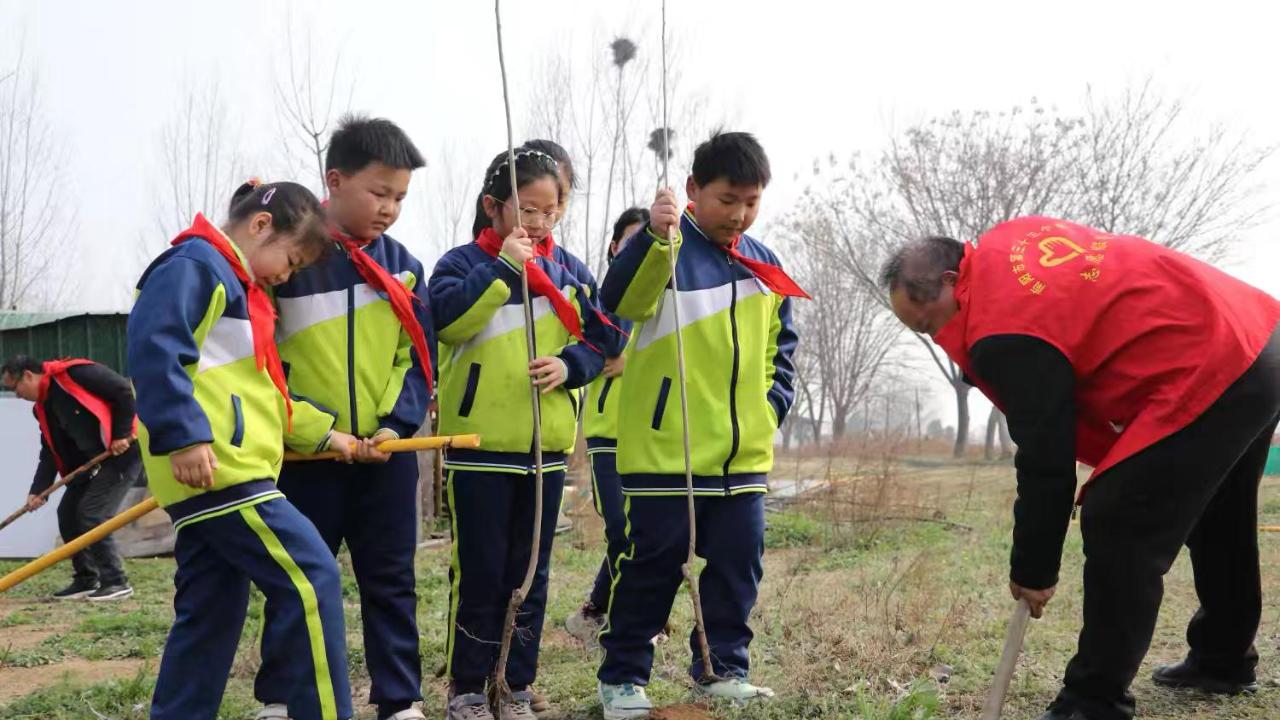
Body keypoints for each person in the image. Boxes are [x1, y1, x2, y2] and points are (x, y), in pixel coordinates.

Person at [879, 217, 1280, 720]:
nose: (939, 338)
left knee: (1119, 519)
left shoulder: (1001, 330)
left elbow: (1047, 459)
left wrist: (1033, 569)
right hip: (1258, 336)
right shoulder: (1008, 243)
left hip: (1210, 358)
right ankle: (1223, 660)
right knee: (1219, 513)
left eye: (929, 322)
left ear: (949, 282)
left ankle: (1094, 701)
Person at [130, 181, 360, 720]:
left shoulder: (241, 293)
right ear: (261, 226)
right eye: (290, 258)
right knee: (312, 578)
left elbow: (265, 396)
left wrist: (327, 435)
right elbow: (154, 344)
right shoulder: (196, 265)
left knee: (210, 615)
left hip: (221, 474)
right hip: (223, 473)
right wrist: (183, 434)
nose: (286, 274)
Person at [595, 131, 805, 719]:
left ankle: (721, 669)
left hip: (741, 454)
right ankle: (622, 678)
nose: (738, 214)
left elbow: (781, 349)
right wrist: (653, 242)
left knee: (739, 564)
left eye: (752, 201)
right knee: (650, 566)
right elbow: (616, 306)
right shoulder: (660, 248)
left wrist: (769, 410)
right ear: (692, 190)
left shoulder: (764, 264)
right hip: (666, 451)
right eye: (726, 199)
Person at [431, 147, 615, 720]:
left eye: (550, 211)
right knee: (480, 571)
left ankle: (516, 685)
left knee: (530, 575)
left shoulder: (571, 274)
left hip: (546, 450)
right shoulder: (462, 265)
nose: (539, 224)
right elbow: (446, 320)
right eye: (527, 210)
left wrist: (570, 366)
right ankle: (467, 686)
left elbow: (606, 338)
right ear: (494, 207)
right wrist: (503, 270)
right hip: (479, 450)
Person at [262, 116, 435, 720]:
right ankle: (283, 696)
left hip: (386, 458)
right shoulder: (289, 263)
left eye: (400, 198)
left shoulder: (405, 267)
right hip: (307, 456)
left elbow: (414, 357)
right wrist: (317, 430)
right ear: (333, 181)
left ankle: (399, 697)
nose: (389, 208)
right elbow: (267, 366)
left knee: (390, 579)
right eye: (379, 193)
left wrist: (395, 425)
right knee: (299, 581)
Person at [564, 207, 648, 648]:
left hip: (654, 434)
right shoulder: (600, 297)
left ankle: (604, 612)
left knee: (644, 532)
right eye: (631, 242)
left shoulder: (664, 299)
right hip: (608, 431)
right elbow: (586, 353)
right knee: (620, 528)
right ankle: (609, 615)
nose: (639, 251)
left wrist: (631, 359)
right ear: (615, 247)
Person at [1, 355, 143, 601]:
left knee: (92, 513)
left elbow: (122, 390)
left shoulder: (75, 375)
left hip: (123, 452)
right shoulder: (43, 409)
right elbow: (50, 451)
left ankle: (116, 582)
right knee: (67, 514)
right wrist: (39, 490)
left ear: (28, 375)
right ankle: (86, 579)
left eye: (15, 388)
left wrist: (121, 434)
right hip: (91, 462)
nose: (17, 395)